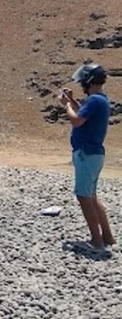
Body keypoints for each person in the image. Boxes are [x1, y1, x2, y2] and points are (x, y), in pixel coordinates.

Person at [60, 63, 115, 250]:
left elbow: (76, 121)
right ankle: (107, 237)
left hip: (86, 153)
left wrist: (67, 105)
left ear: (89, 80)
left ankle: (96, 240)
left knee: (83, 197)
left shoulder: (94, 101)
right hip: (94, 154)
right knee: (91, 195)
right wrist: (72, 102)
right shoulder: (100, 100)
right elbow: (83, 115)